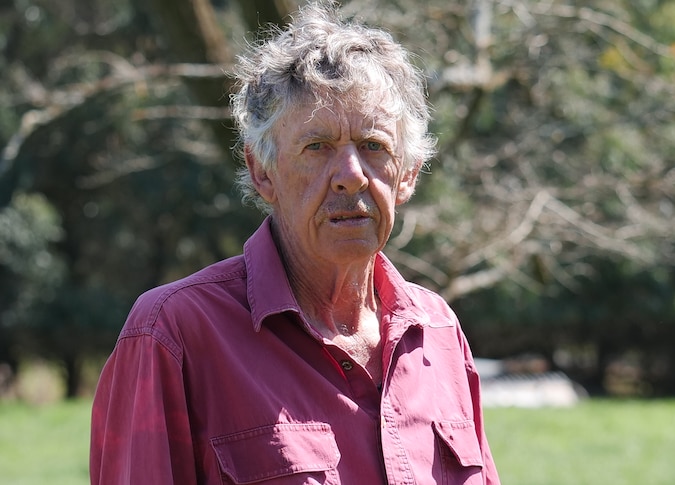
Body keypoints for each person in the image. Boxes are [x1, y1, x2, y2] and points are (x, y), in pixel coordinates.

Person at [90, 3, 500, 484]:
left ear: (407, 174)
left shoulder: (439, 331)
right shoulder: (175, 332)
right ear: (263, 172)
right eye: (317, 147)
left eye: (373, 146)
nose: (350, 176)